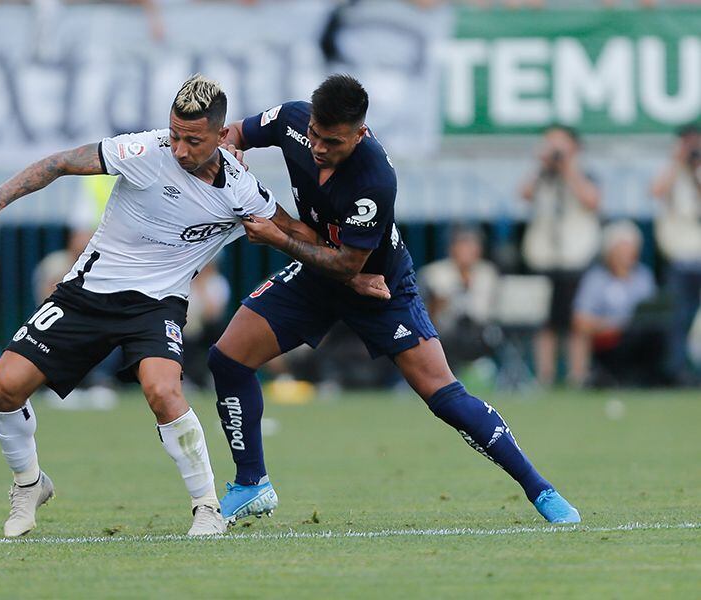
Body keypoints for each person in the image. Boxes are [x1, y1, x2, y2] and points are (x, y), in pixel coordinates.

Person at [0, 75, 378, 537]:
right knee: (4, 387)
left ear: (221, 135)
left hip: (157, 305)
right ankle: (29, 484)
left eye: (193, 140)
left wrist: (352, 272)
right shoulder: (145, 153)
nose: (180, 149)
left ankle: (207, 506)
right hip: (88, 291)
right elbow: (61, 163)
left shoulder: (240, 189)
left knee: (163, 391)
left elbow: (294, 234)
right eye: (174, 135)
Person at [208, 74, 580, 525]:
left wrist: (276, 237)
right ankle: (251, 484)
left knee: (443, 395)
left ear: (360, 133)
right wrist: (229, 148)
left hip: (378, 284)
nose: (320, 148)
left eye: (333, 141)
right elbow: (236, 132)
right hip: (317, 272)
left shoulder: (375, 177)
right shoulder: (291, 118)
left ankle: (541, 490)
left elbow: (349, 266)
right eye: (314, 136)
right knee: (227, 359)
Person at [520, 125, 601, 386]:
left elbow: (592, 200)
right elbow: (523, 194)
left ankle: (577, 376)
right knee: (544, 322)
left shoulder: (585, 174)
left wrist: (568, 168)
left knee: (577, 321)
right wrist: (541, 166)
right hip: (544, 257)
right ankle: (545, 377)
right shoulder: (543, 176)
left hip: (575, 257)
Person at [570, 221, 665, 387]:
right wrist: (611, 325)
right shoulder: (596, 279)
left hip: (640, 339)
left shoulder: (644, 277)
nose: (627, 254)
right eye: (622, 249)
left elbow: (652, 313)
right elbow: (580, 319)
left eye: (630, 249)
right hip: (609, 341)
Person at [650, 123, 701, 385]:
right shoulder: (673, 171)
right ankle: (678, 372)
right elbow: (655, 192)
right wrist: (678, 163)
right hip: (681, 260)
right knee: (679, 320)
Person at [420, 226, 499, 371]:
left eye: (473, 245)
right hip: (445, 331)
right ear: (452, 248)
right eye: (463, 245)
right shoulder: (436, 272)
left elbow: (487, 310)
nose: (468, 250)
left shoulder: (487, 272)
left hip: (478, 330)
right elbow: (430, 311)